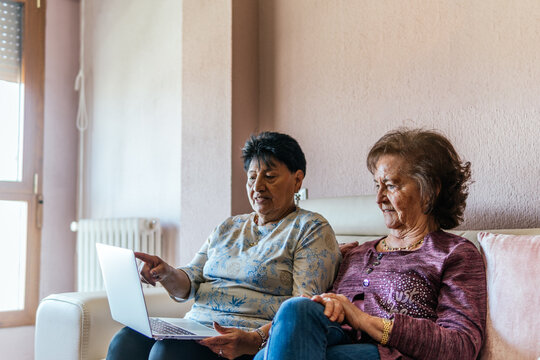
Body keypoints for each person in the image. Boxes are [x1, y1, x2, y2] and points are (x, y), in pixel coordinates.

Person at [106, 131, 341, 360]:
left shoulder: (310, 228)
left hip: (243, 340)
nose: (257, 186)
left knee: (168, 353)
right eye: (252, 177)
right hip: (197, 327)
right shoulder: (229, 226)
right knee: (125, 340)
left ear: (297, 179)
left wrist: (254, 338)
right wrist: (166, 274)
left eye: (269, 177)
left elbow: (303, 308)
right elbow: (191, 281)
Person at [257, 128, 487, 360]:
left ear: (430, 190)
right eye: (377, 185)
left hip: (394, 354)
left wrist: (364, 321)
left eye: (391, 185)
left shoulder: (454, 254)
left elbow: (462, 345)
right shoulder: (357, 254)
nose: (379, 198)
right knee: (296, 309)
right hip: (336, 342)